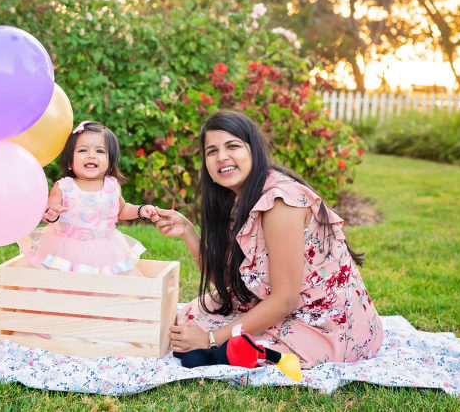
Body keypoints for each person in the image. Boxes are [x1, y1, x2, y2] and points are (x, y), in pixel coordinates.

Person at [150, 111, 383, 368]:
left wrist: (210, 339)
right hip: (282, 307)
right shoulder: (239, 198)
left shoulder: (280, 203)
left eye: (233, 146)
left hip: (326, 323)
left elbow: (285, 300)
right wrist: (187, 231)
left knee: (214, 338)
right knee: (190, 316)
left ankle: (223, 352)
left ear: (254, 150)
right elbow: (232, 284)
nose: (222, 157)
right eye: (211, 151)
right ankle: (226, 349)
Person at [20, 120, 156, 276]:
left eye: (99, 151)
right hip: (65, 248)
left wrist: (139, 210)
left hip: (105, 249)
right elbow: (49, 211)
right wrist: (52, 215)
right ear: (70, 162)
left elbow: (122, 209)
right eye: (83, 150)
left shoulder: (112, 186)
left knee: (104, 280)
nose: (91, 155)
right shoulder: (64, 187)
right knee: (62, 279)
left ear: (110, 162)